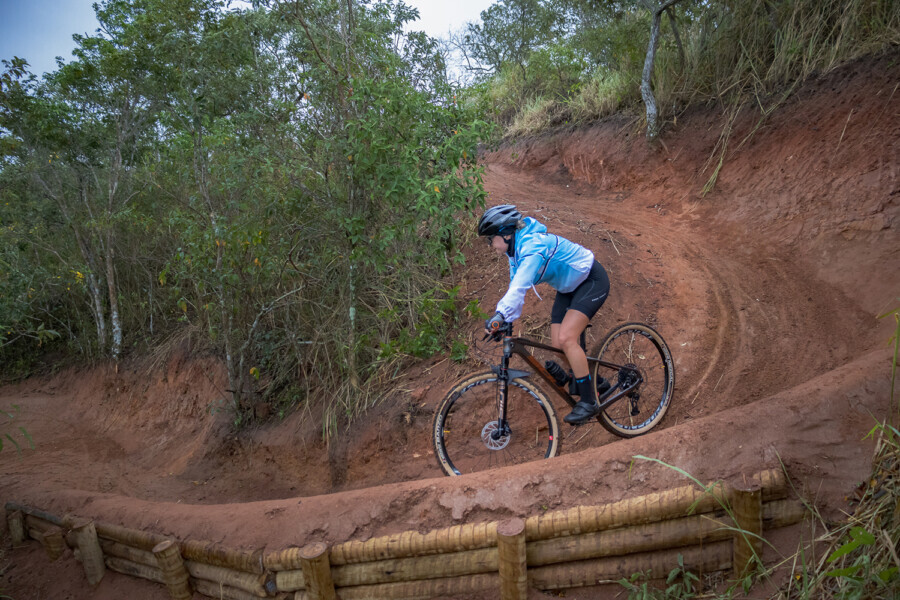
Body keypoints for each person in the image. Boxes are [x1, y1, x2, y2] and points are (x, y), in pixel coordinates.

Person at [478, 204, 611, 425]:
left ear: (506, 234)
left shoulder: (532, 247)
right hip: (568, 288)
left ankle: (588, 401)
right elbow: (515, 290)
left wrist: (500, 314)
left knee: (567, 338)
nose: (489, 244)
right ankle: (596, 382)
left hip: (590, 280)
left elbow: (520, 285)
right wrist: (501, 320)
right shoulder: (516, 252)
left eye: (490, 238)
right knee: (557, 346)